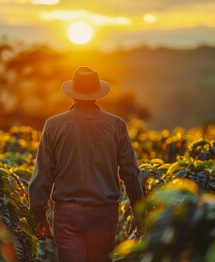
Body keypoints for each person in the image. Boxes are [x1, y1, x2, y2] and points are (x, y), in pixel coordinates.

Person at [29, 66, 145, 262]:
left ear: (71, 95)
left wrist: (39, 215)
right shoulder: (116, 125)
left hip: (68, 214)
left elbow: (42, 176)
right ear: (97, 95)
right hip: (104, 212)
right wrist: (139, 210)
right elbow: (131, 172)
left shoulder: (53, 125)